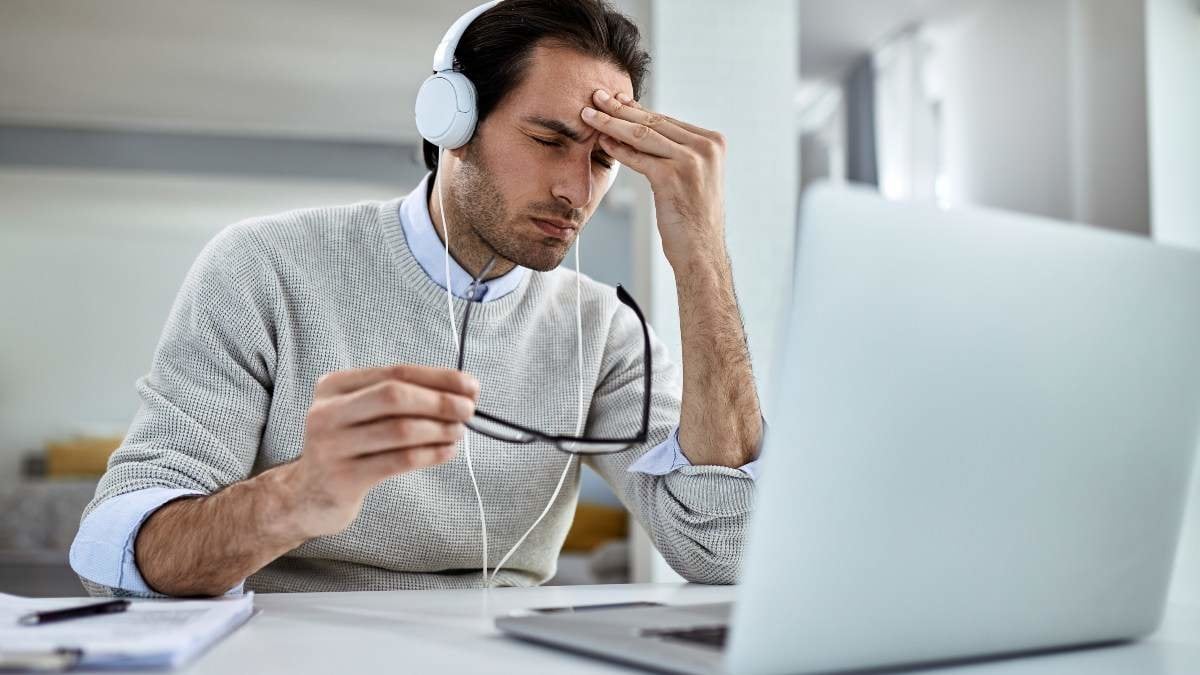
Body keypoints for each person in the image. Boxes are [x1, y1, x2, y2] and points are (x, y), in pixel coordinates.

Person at [70, 0, 763, 598]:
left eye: (604, 160)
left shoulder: (603, 330)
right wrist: (300, 493)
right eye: (550, 139)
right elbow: (110, 552)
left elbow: (723, 551)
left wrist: (701, 254)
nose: (578, 192)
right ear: (450, 121)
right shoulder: (266, 266)